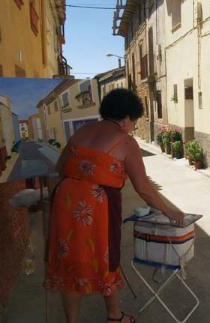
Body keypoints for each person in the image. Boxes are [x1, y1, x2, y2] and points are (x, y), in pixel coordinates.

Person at [43, 89, 185, 323]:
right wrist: (170, 211)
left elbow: (60, 167)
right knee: (107, 258)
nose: (132, 127)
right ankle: (114, 317)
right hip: (96, 207)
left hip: (65, 202)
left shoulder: (82, 131)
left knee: (69, 260)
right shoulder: (126, 141)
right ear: (126, 117)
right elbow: (144, 188)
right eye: (134, 121)